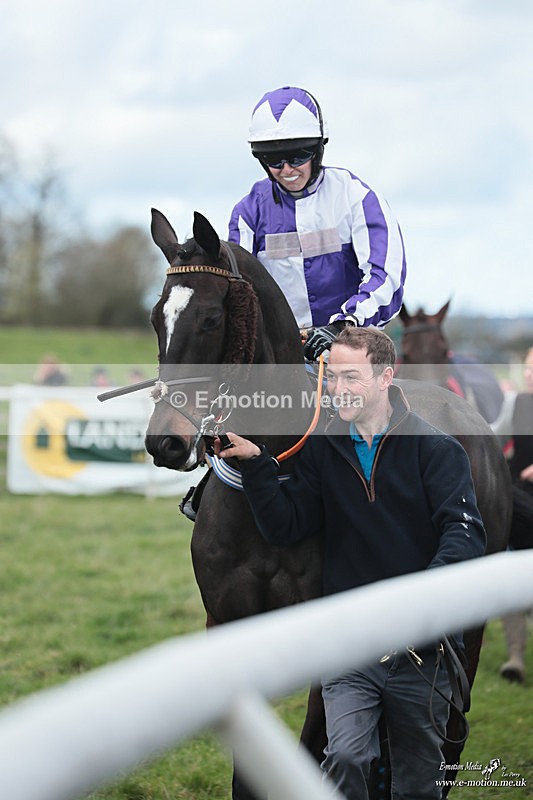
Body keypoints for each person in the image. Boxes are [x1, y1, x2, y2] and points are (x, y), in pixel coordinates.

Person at [214, 326, 486, 800]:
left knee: (419, 780)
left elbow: (464, 534)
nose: (338, 389)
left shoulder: (440, 450)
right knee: (345, 757)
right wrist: (257, 465)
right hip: (350, 644)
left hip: (423, 649)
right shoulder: (324, 447)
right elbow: (288, 524)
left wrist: (421, 604)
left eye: (351, 377)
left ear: (385, 376)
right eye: (332, 376)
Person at [228, 86, 406, 362]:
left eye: (298, 156)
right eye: (274, 159)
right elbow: (237, 291)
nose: (287, 170)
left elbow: (386, 278)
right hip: (281, 354)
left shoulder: (357, 197)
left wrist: (342, 327)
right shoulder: (247, 212)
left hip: (353, 347)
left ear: (318, 150)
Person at [499, 347, 533, 683]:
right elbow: (496, 434)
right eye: (527, 368)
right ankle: (515, 658)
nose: (529, 374)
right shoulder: (520, 403)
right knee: (509, 580)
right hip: (519, 502)